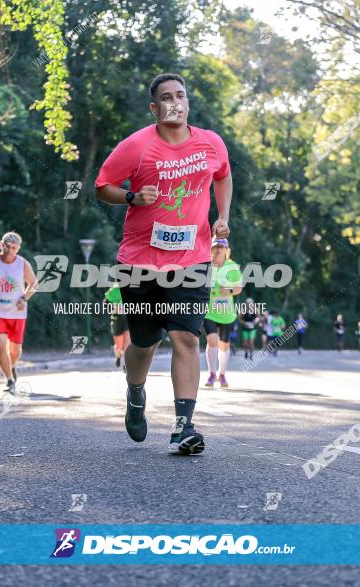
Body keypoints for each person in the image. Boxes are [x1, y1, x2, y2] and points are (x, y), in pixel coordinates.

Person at [94, 72, 232, 455]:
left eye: (181, 95)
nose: (175, 102)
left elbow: (223, 174)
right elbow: (102, 185)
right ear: (155, 108)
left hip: (192, 259)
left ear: (188, 102)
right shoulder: (137, 146)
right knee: (144, 342)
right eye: (166, 98)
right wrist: (132, 198)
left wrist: (223, 215)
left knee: (186, 337)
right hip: (140, 261)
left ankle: (183, 426)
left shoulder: (210, 143)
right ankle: (135, 391)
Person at [0, 231, 37, 394]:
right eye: (8, 247)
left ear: (18, 248)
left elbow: (34, 284)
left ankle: (12, 365)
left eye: (15, 248)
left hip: (17, 312)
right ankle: (9, 380)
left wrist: (24, 298)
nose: (11, 251)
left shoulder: (23, 264)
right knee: (0, 344)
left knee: (15, 351)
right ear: (2, 245)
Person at [202, 238, 243, 389]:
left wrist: (230, 290)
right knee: (212, 340)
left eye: (221, 247)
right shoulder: (206, 265)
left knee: (224, 346)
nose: (218, 250)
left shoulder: (232, 267)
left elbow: (239, 288)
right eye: (216, 246)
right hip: (209, 312)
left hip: (227, 313)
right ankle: (212, 373)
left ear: (227, 250)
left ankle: (222, 374)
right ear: (211, 248)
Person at [104, 283, 130, 369]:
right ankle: (118, 357)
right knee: (119, 345)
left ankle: (126, 364)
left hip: (128, 319)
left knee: (127, 342)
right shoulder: (114, 290)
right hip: (116, 319)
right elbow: (105, 303)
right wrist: (114, 308)